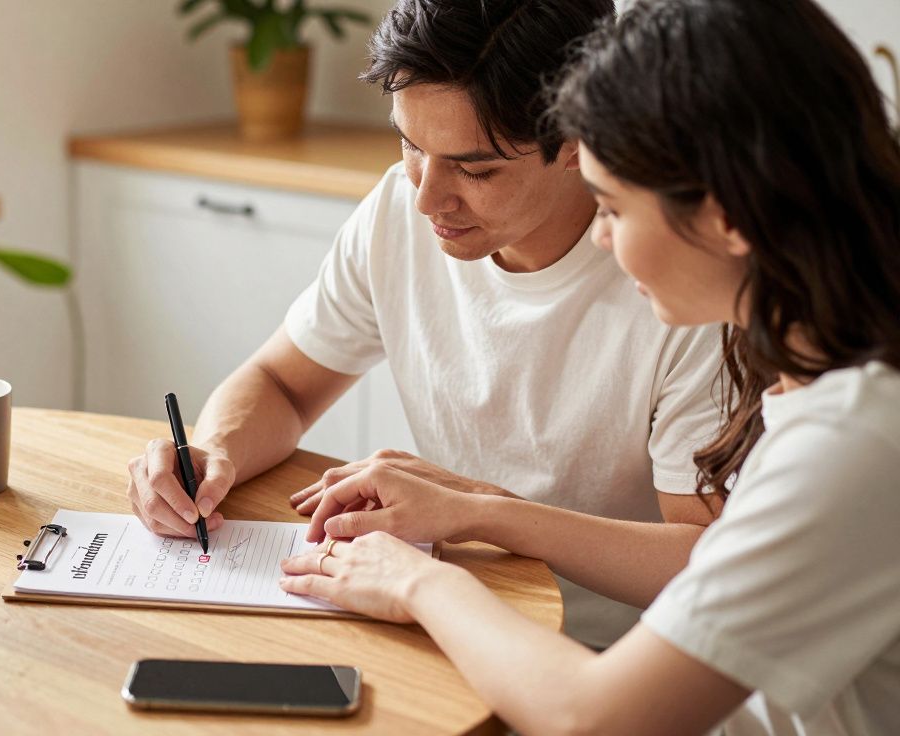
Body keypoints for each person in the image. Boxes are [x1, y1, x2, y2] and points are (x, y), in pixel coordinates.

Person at [281, 0, 900, 732]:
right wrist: (483, 505)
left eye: (610, 207)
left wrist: (416, 579)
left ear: (725, 214)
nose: (600, 239)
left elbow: (592, 716)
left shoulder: (855, 441)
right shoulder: (823, 375)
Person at [127, 0, 725, 649]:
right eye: (410, 144)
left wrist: (486, 513)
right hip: (431, 616)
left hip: (604, 658)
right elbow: (284, 381)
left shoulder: (676, 282)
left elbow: (709, 561)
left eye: (476, 168)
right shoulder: (398, 208)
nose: (425, 197)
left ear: (581, 139)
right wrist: (216, 451)